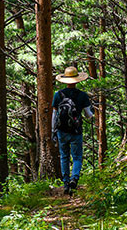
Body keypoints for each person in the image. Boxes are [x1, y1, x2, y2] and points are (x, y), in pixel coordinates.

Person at [52, 65, 94, 194]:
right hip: (76, 131)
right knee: (77, 156)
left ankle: (65, 184)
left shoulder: (58, 95)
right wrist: (92, 113)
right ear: (77, 80)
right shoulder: (82, 95)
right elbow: (88, 115)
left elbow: (54, 115)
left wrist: (53, 130)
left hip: (61, 131)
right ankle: (74, 179)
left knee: (64, 156)